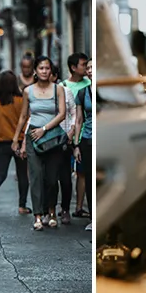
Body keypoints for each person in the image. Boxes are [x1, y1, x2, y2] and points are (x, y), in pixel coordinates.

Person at [12, 56, 66, 231]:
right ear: (35, 71)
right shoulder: (28, 91)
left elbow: (62, 114)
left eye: (47, 68)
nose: (44, 71)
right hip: (32, 136)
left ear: (51, 71)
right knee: (35, 178)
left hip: (52, 137)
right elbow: (23, 116)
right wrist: (16, 139)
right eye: (41, 68)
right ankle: (37, 216)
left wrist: (44, 128)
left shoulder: (58, 89)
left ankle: (51, 212)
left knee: (51, 179)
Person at [0, 70, 29, 215]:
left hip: (1, 142)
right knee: (22, 174)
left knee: (0, 174)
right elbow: (27, 120)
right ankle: (22, 206)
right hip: (20, 141)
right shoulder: (21, 100)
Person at [62, 52, 91, 219]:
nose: (87, 69)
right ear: (73, 68)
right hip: (68, 135)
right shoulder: (64, 86)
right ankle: (71, 207)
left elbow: (80, 117)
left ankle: (80, 207)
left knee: (83, 173)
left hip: (82, 136)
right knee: (69, 174)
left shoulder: (88, 85)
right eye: (84, 65)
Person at [48, 61, 76, 225]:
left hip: (64, 140)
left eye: (49, 74)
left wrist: (72, 130)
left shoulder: (67, 92)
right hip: (47, 141)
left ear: (55, 76)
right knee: (50, 179)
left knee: (65, 179)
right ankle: (50, 210)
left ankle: (65, 209)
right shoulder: (39, 94)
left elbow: (74, 113)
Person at [73, 59, 94, 232]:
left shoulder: (109, 90)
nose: (90, 70)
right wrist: (76, 144)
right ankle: (93, 217)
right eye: (88, 68)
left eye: (93, 67)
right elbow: (79, 120)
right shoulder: (82, 92)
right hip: (87, 139)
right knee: (88, 178)